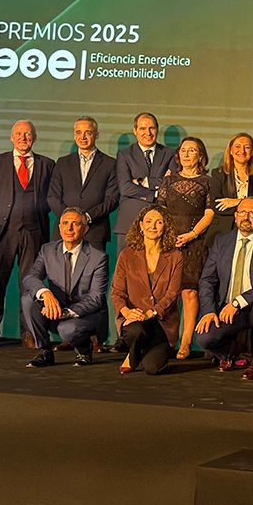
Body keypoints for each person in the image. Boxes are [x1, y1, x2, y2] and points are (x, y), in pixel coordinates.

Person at [0, 120, 54, 349]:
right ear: (12, 137)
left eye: (28, 134)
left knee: (30, 286)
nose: (23, 137)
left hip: (33, 233)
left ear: (35, 138)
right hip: (2, 233)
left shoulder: (47, 164)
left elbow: (49, 199)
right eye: (19, 134)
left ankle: (29, 333)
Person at [194, 199, 253, 372]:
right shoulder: (221, 241)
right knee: (203, 338)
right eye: (242, 212)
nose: (246, 217)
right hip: (226, 307)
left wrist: (238, 302)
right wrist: (209, 311)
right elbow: (207, 280)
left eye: (252, 213)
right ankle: (231, 352)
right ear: (235, 216)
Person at [20, 207, 109, 367]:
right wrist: (46, 294)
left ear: (85, 229)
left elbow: (96, 299)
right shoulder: (47, 250)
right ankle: (45, 351)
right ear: (59, 227)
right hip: (55, 309)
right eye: (65, 223)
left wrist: (65, 313)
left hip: (85, 315)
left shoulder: (98, 257)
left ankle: (83, 349)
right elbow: (30, 278)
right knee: (28, 299)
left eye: (75, 224)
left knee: (67, 329)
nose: (69, 228)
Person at [156, 137, 215, 360]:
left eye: (193, 150)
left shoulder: (208, 182)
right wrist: (168, 237)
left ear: (201, 156)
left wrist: (191, 234)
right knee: (167, 295)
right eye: (183, 150)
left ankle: (186, 342)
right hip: (168, 243)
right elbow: (159, 211)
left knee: (190, 292)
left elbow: (210, 213)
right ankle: (166, 342)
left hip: (195, 243)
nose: (187, 154)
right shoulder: (168, 181)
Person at [110, 205, 185, 375]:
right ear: (141, 226)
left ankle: (145, 352)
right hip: (135, 318)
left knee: (153, 368)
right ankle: (134, 352)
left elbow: (173, 293)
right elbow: (117, 292)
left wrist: (152, 312)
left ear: (165, 227)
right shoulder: (127, 255)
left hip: (161, 321)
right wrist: (126, 312)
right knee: (137, 330)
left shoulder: (175, 256)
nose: (153, 226)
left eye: (159, 222)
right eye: (149, 222)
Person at [46, 116, 118, 252]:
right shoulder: (62, 163)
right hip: (64, 233)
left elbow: (112, 200)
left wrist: (86, 218)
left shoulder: (110, 164)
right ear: (74, 135)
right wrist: (69, 221)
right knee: (62, 273)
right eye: (79, 132)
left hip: (95, 231)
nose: (83, 137)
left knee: (93, 273)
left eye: (88, 133)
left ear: (97, 136)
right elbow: (52, 197)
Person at [115, 112, 176, 243]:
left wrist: (144, 181)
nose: (148, 133)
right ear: (135, 131)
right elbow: (125, 187)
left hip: (160, 223)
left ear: (157, 130)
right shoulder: (124, 155)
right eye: (143, 129)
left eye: (152, 128)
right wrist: (155, 192)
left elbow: (172, 183)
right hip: (129, 221)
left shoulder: (169, 154)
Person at [208, 132, 253, 242]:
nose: (242, 151)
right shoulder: (219, 173)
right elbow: (216, 205)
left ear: (252, 152)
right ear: (231, 151)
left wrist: (237, 202)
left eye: (247, 147)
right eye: (237, 147)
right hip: (224, 230)